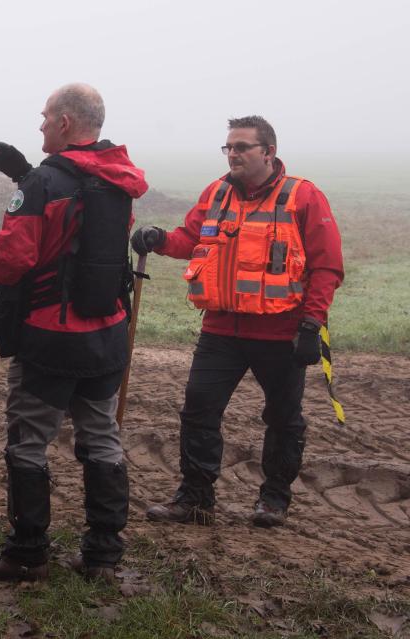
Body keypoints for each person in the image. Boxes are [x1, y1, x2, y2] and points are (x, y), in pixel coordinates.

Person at [133, 115, 344, 528]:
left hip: (281, 332)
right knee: (198, 409)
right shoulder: (216, 192)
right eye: (228, 147)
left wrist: (311, 324)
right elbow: (189, 239)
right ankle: (195, 499)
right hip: (220, 329)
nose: (233, 154)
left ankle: (273, 500)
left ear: (268, 152)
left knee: (284, 418)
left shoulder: (304, 196)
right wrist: (158, 239)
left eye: (242, 147)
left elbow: (327, 267)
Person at [0, 83, 148, 583]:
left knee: (28, 442)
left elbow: (11, 263)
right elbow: (79, 221)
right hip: (108, 334)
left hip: (50, 339)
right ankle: (103, 556)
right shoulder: (120, 178)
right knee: (102, 439)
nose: (41, 124)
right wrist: (29, 173)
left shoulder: (42, 185)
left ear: (66, 123)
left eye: (46, 116)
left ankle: (27, 553)